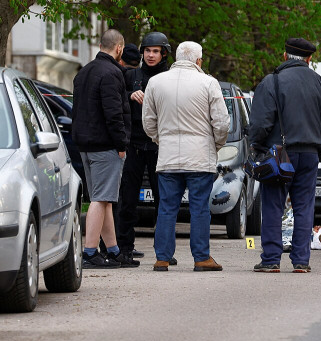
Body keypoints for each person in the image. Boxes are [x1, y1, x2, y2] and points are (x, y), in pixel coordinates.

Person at [249, 38, 321, 273]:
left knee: (273, 206)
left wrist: (257, 147)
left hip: (279, 154)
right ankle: (301, 260)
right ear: (309, 59)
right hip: (310, 152)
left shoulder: (272, 81)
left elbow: (260, 122)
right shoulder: (319, 82)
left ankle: (271, 259)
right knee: (304, 207)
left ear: (285, 56)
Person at [142, 41, 229, 272]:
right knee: (199, 208)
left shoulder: (155, 82)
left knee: (167, 207)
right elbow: (221, 123)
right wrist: (215, 144)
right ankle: (201, 258)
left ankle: (162, 258)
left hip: (168, 157)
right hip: (200, 157)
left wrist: (161, 140)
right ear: (198, 61)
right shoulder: (209, 83)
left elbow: (148, 122)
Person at [72, 29, 132, 268]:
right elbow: (114, 113)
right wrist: (121, 144)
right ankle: (89, 252)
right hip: (105, 144)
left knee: (104, 198)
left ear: (100, 46)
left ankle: (113, 250)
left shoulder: (84, 71)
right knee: (100, 199)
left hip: (85, 143)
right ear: (119, 48)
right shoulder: (112, 73)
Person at [115, 32, 171, 263]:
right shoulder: (131, 75)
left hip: (160, 146)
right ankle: (124, 248)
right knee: (127, 200)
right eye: (147, 51)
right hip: (134, 145)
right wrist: (129, 95)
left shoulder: (170, 78)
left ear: (164, 54)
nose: (151, 55)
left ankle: (164, 252)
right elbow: (115, 98)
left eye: (156, 51)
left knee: (164, 201)